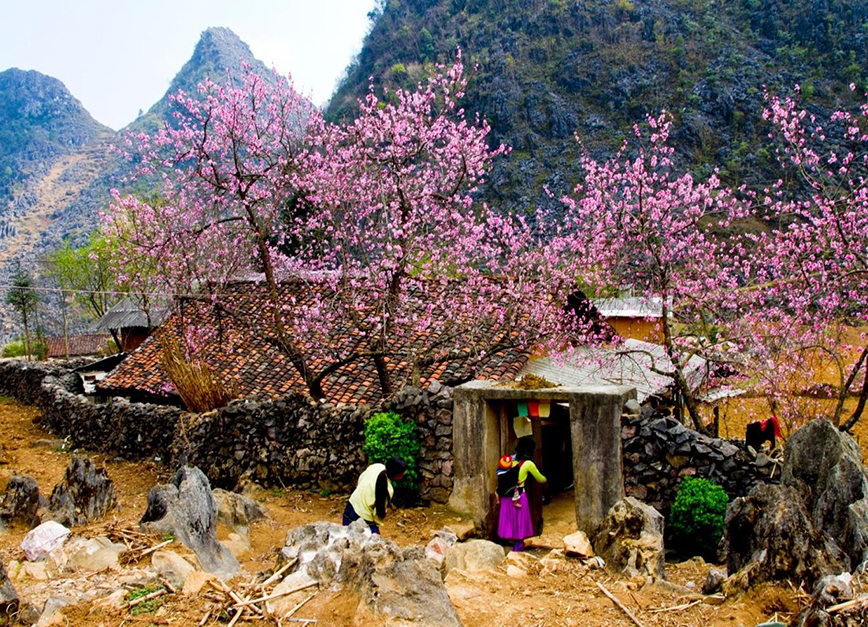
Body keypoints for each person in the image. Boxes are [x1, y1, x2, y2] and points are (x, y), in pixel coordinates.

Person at [496, 437, 547, 552]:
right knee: (519, 521)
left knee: (510, 521)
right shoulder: (528, 463)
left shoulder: (509, 460)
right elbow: (541, 479)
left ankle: (511, 543)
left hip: (505, 496)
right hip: (518, 496)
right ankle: (518, 547)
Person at [343, 456, 407, 534]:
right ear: (397, 475)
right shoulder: (388, 489)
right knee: (373, 543)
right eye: (402, 473)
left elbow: (361, 479)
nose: (403, 474)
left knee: (346, 538)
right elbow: (378, 511)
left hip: (350, 506)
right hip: (362, 518)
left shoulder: (376, 466)